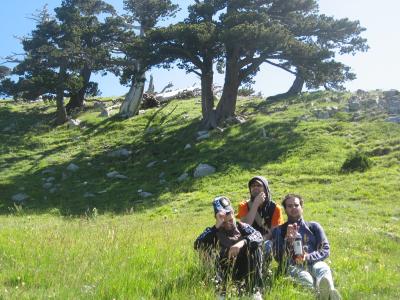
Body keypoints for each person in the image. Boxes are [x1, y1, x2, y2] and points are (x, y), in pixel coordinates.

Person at [272, 194, 341, 300]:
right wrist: (288, 241)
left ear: (302, 208)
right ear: (285, 210)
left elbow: (325, 249)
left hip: (314, 262)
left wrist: (307, 257)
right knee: (306, 278)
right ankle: (322, 296)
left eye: (296, 205)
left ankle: (329, 291)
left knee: (323, 268)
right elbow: (278, 257)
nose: (294, 208)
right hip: (294, 266)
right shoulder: (279, 230)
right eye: (289, 206)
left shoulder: (314, 226)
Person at [194, 196, 264, 299]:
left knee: (256, 248)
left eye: (231, 220)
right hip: (224, 270)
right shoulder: (214, 231)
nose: (228, 224)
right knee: (205, 251)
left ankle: (254, 291)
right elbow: (198, 244)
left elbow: (258, 236)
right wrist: (217, 226)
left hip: (245, 268)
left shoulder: (243, 227)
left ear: (233, 214)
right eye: (224, 222)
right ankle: (220, 292)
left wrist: (242, 243)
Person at [236, 176, 284, 258]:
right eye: (253, 186)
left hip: (266, 240)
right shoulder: (244, 206)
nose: (255, 188)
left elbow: (273, 232)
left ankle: (265, 268)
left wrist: (260, 240)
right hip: (248, 240)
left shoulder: (275, 208)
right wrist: (255, 204)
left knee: (268, 245)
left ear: (265, 189)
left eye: (259, 185)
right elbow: (245, 226)